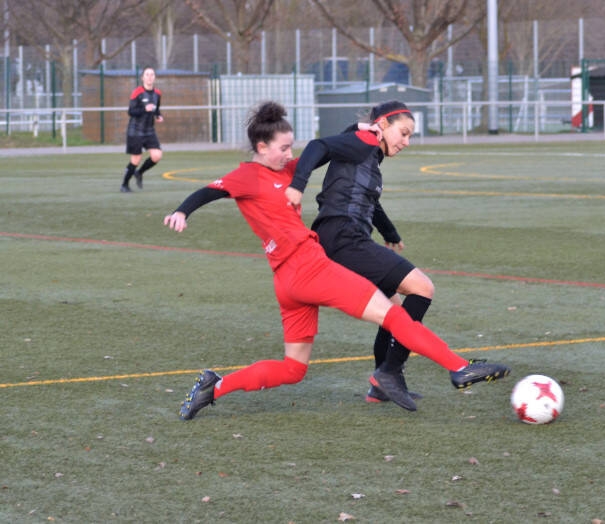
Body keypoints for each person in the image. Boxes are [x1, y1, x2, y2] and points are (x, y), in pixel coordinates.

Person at [164, 101, 510, 421]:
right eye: (284, 148)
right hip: (309, 268)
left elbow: (329, 149)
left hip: (287, 281)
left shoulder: (284, 172)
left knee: (293, 369)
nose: (290, 154)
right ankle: (459, 367)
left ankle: (215, 386)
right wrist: (182, 211)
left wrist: (364, 128)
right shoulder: (247, 176)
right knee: (393, 315)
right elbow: (210, 191)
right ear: (261, 148)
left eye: (291, 147)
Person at [287, 100, 487, 411]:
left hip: (342, 237)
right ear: (382, 124)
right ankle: (389, 372)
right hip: (343, 237)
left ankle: (381, 385)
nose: (406, 142)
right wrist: (297, 185)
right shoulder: (364, 140)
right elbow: (317, 145)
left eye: (410, 137)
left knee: (393, 311)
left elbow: (367, 199)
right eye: (403, 133)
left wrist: (390, 233)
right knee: (422, 288)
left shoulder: (366, 151)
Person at [120, 67, 163, 193]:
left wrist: (158, 115)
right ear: (142, 77)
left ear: (154, 77)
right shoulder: (137, 92)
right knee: (136, 159)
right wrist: (145, 109)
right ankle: (124, 185)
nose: (150, 77)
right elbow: (131, 111)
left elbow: (156, 108)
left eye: (152, 74)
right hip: (135, 131)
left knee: (157, 156)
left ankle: (139, 173)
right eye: (147, 74)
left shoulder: (157, 93)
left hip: (149, 130)